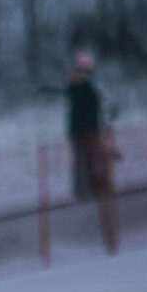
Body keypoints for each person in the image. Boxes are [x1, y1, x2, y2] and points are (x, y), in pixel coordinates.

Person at [65, 49, 112, 201]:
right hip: (88, 128)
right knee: (92, 158)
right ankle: (93, 188)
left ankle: (84, 189)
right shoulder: (83, 85)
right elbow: (90, 106)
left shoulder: (76, 84)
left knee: (82, 160)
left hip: (80, 128)